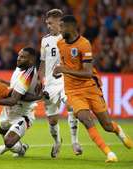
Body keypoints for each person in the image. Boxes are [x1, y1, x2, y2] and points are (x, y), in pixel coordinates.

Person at [53, 15, 133, 162]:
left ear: (71, 27)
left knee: (107, 125)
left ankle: (119, 131)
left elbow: (87, 72)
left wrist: (64, 70)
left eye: (62, 26)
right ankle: (109, 153)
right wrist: (57, 70)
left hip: (90, 87)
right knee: (85, 119)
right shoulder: (60, 43)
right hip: (73, 91)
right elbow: (65, 62)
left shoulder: (84, 44)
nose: (60, 29)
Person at [0, 47, 44, 157]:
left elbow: (13, 100)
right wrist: (2, 81)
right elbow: (16, 87)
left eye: (23, 57)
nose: (18, 58)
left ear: (31, 60)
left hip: (22, 113)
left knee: (9, 141)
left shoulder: (28, 74)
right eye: (19, 55)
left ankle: (18, 148)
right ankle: (19, 148)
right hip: (9, 111)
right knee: (2, 130)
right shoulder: (20, 68)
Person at [39, 9, 82, 158]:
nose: (48, 26)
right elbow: (43, 63)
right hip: (50, 84)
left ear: (59, 22)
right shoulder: (45, 40)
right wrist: (40, 80)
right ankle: (57, 141)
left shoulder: (69, 39)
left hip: (65, 80)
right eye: (47, 23)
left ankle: (75, 142)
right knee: (52, 120)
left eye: (50, 23)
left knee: (72, 106)